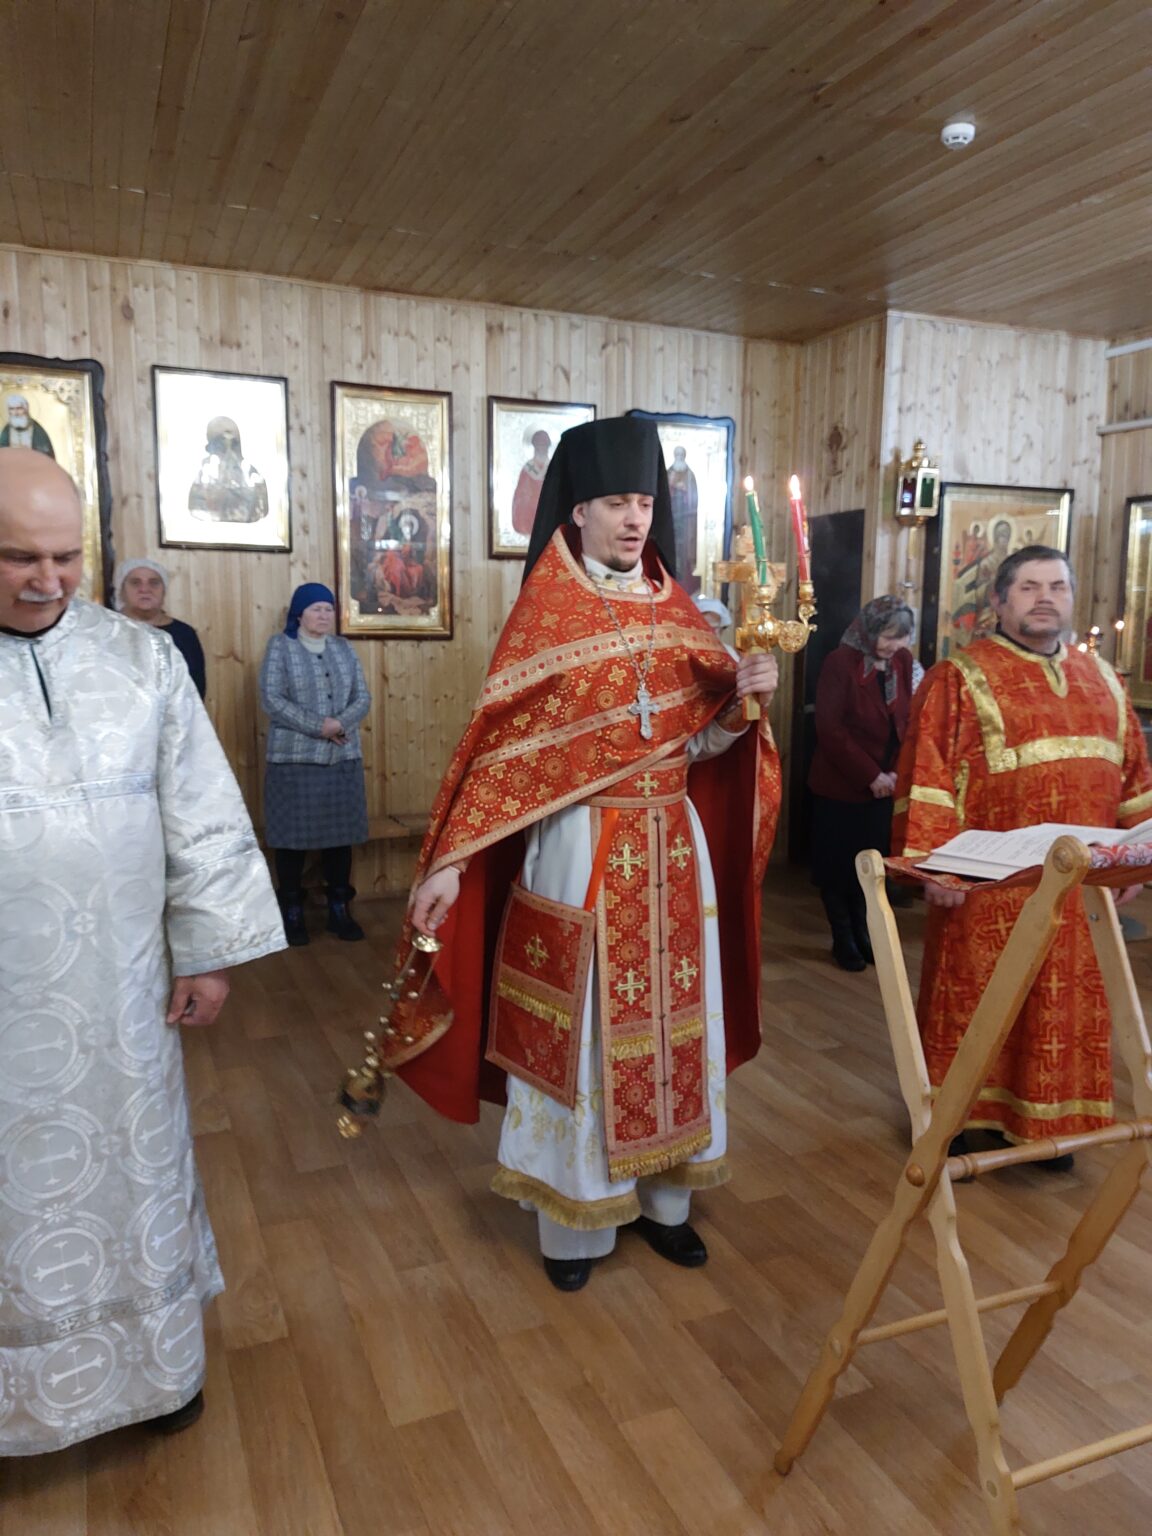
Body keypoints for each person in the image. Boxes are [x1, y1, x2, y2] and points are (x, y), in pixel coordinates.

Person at [396, 416, 781, 1292]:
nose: (635, 518)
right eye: (617, 502)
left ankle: (665, 1203)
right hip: (579, 850)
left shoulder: (681, 614)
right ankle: (573, 1228)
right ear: (576, 510)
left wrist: (740, 703)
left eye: (645, 501)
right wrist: (452, 862)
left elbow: (698, 750)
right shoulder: (549, 613)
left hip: (673, 854)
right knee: (585, 1037)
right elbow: (502, 760)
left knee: (679, 1027)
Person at [0, 447, 285, 1454]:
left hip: (120, 992)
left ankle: (157, 1373)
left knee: (136, 1173)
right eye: (19, 559)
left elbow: (199, 811)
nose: (47, 581)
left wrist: (206, 954)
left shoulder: (139, 658)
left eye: (65, 557)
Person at [893, 546, 1152, 1169]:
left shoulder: (1105, 680)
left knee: (1062, 1008)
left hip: (1080, 891)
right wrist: (936, 865)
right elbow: (926, 771)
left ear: (1070, 597)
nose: (1045, 597)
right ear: (1001, 601)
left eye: (1058, 586)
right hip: (990, 887)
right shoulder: (961, 676)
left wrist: (1133, 859)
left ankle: (1046, 1123)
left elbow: (1135, 779)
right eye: (1030, 586)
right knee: (978, 1003)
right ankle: (956, 1119)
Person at [259, 582, 371, 946]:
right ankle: (292, 913)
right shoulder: (281, 646)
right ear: (299, 614)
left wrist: (339, 724)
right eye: (315, 609)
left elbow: (362, 696)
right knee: (291, 841)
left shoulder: (343, 648)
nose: (323, 615)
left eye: (328, 608)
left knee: (340, 840)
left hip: (341, 757)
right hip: (294, 760)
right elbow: (272, 698)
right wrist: (319, 726)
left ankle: (340, 909)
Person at [808, 596, 916, 970]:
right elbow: (830, 729)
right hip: (843, 785)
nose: (892, 645)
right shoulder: (840, 662)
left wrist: (898, 773)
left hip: (886, 784)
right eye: (887, 636)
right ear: (869, 630)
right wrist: (870, 776)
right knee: (839, 868)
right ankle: (843, 939)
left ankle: (864, 933)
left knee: (871, 868)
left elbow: (908, 720)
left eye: (900, 637)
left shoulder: (902, 661)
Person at [115, 556, 208, 700]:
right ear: (121, 591)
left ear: (163, 591)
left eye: (154, 583)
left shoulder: (184, 635)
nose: (145, 589)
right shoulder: (107, 631)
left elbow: (194, 692)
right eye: (135, 583)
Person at [188, 416, 268, 523]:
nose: (228, 452)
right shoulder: (204, 476)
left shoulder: (253, 477)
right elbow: (196, 507)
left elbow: (260, 509)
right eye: (221, 445)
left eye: (233, 444)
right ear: (211, 447)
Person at [667, 444, 699, 594]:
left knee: (684, 550)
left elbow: (693, 496)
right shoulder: (669, 472)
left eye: (681, 455)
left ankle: (684, 584)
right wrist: (673, 487)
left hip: (686, 520)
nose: (679, 457)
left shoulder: (689, 474)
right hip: (671, 518)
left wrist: (684, 490)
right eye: (677, 454)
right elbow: (664, 493)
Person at [510, 428, 552, 536]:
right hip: (529, 515)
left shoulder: (553, 468)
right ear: (534, 446)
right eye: (539, 445)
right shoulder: (528, 468)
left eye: (544, 445)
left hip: (548, 513)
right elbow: (519, 494)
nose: (542, 448)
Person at [0, 392, 54, 456]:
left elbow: (45, 451)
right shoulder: (7, 430)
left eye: (19, 408)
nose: (15, 413)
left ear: (26, 409)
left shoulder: (36, 428)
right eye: (12, 409)